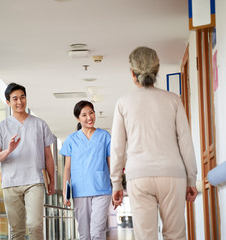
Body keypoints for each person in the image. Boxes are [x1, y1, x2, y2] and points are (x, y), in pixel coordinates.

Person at [110, 46, 198, 240]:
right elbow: (185, 143)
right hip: (173, 175)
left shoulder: (123, 103)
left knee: (146, 236)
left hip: (139, 177)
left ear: (132, 73)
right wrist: (191, 179)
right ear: (157, 71)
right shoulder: (173, 100)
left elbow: (117, 148)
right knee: (175, 234)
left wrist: (116, 183)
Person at [0, 82, 55, 240]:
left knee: (35, 225)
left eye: (22, 97)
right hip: (11, 183)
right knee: (16, 231)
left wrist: (51, 182)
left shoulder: (40, 124)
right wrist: (9, 150)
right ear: (8, 102)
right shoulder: (1, 127)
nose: (19, 102)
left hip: (34, 181)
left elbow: (48, 156)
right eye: (15, 98)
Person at [60, 100, 112, 240]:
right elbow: (67, 168)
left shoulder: (105, 136)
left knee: (97, 231)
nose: (89, 118)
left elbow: (110, 164)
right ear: (78, 118)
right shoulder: (71, 139)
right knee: (84, 233)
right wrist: (65, 192)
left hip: (102, 189)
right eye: (84, 115)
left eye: (91, 113)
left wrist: (117, 185)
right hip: (80, 191)